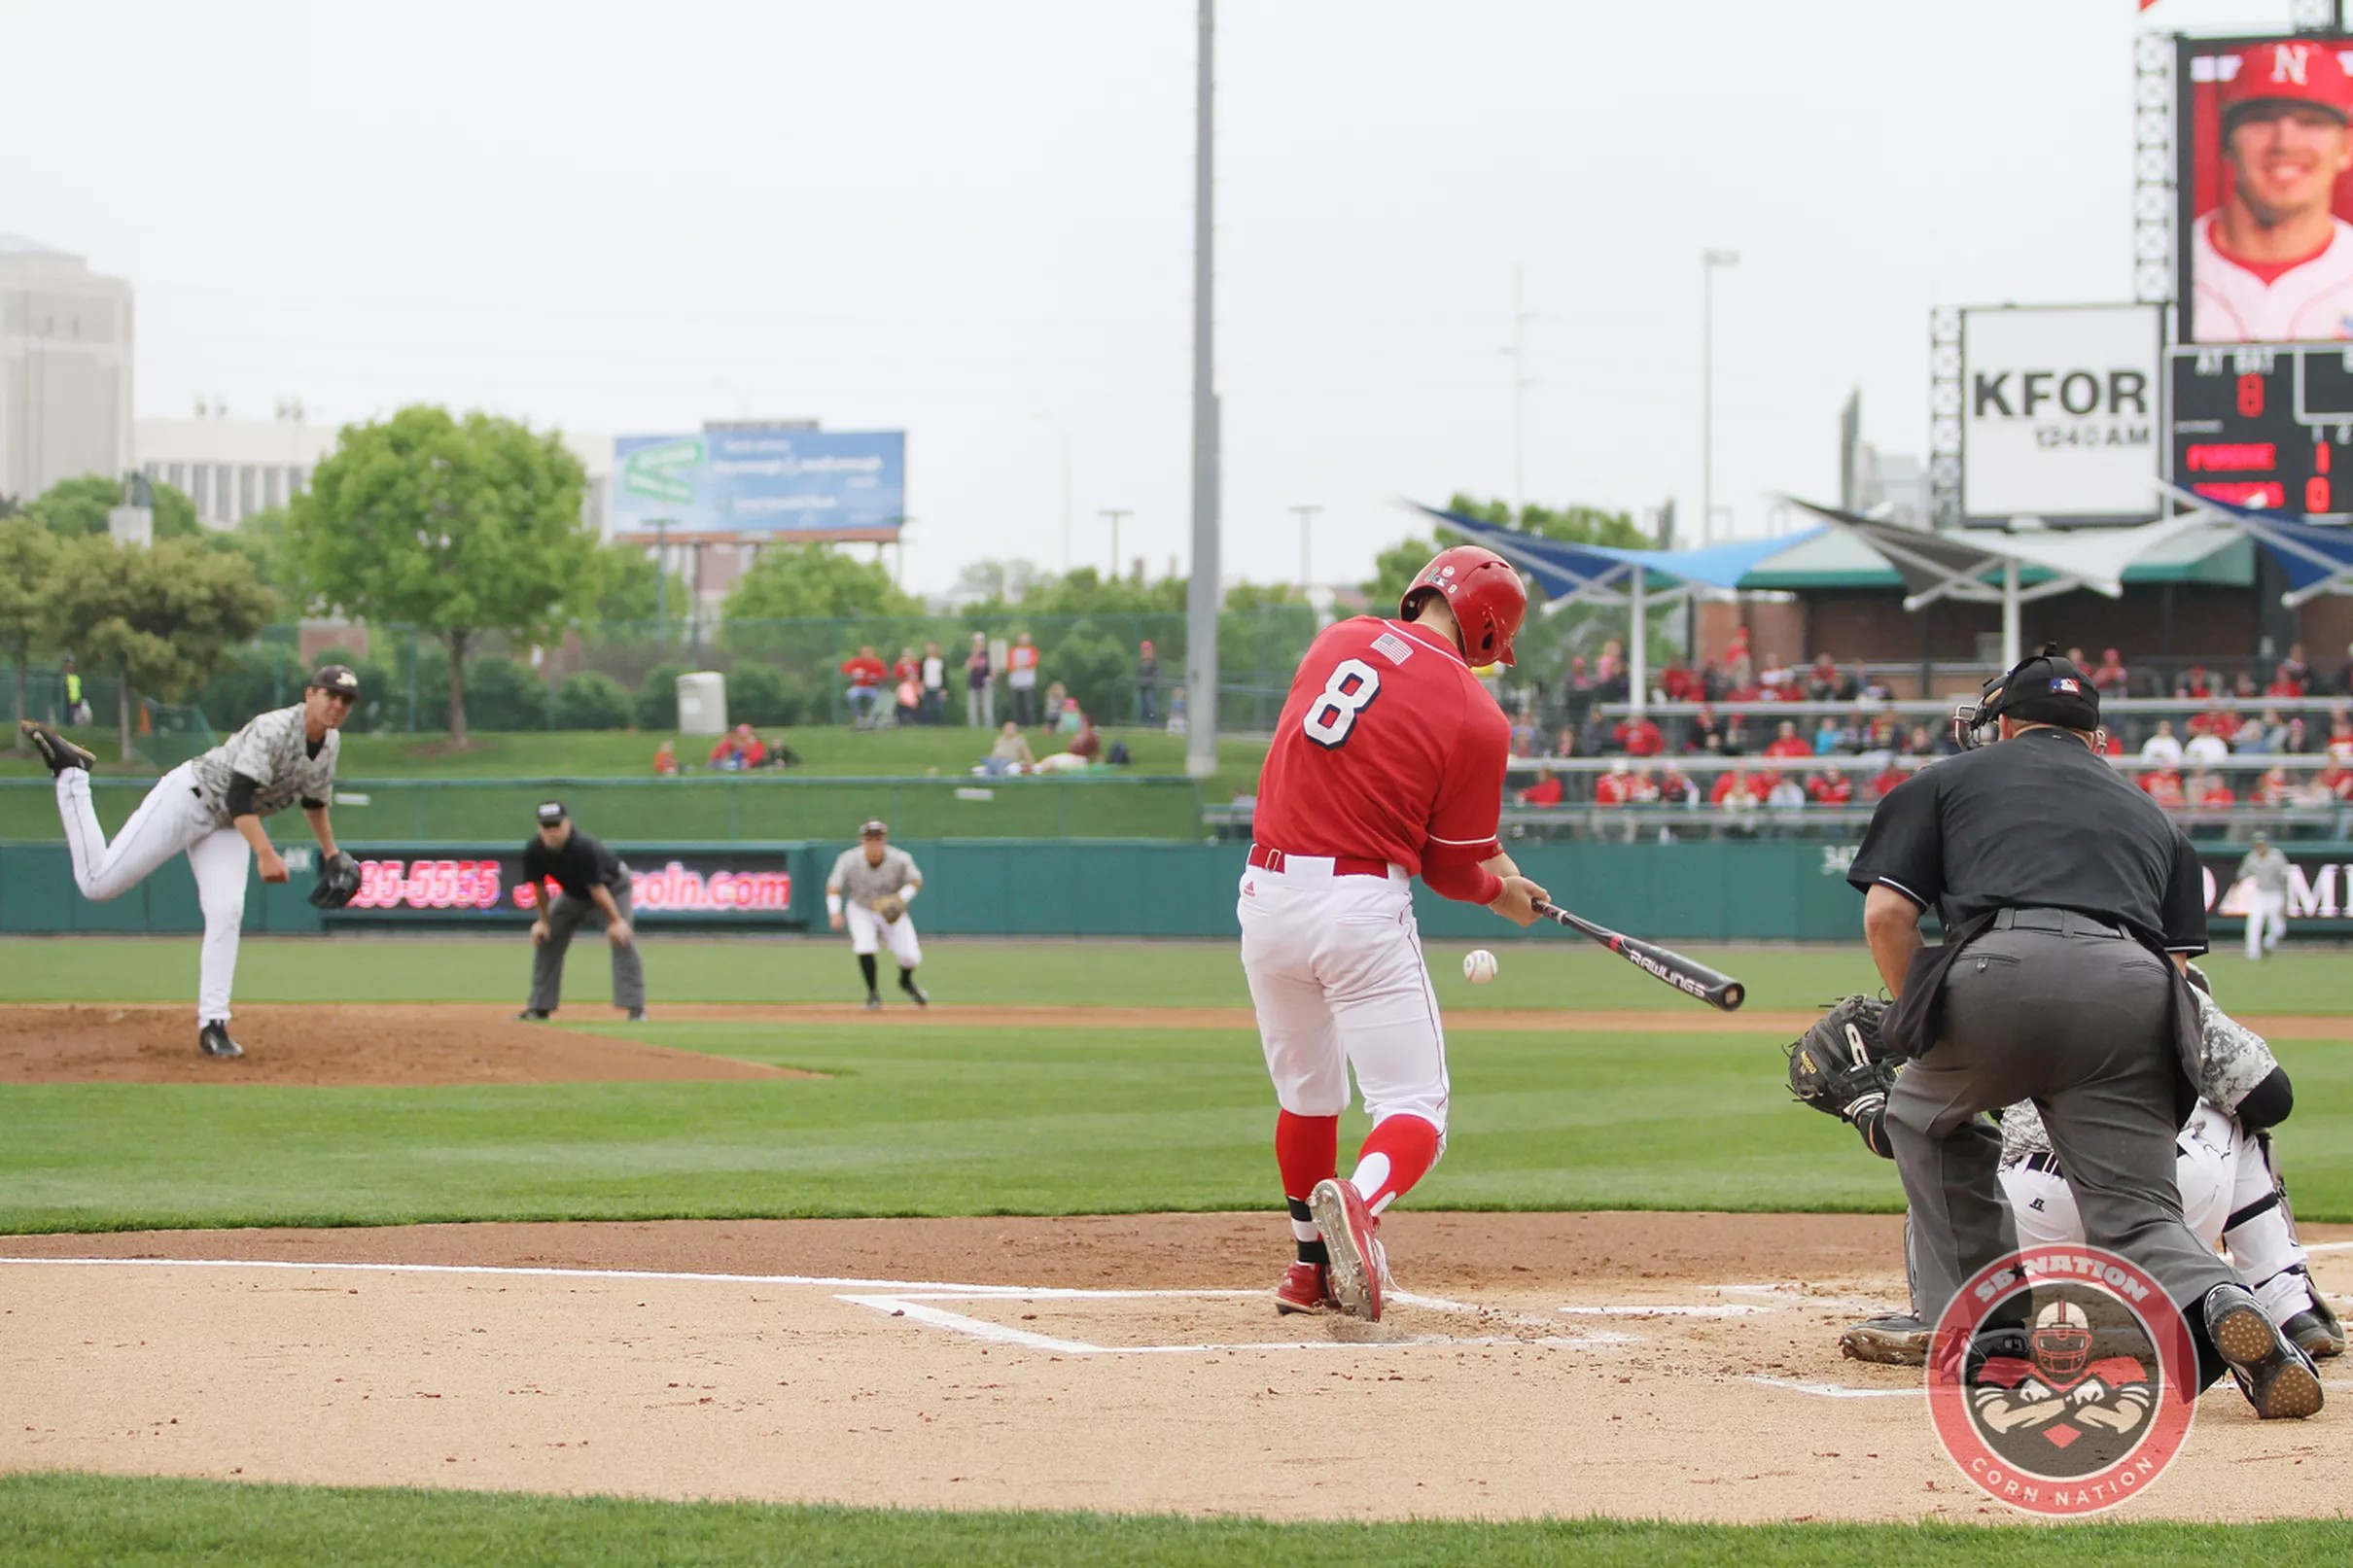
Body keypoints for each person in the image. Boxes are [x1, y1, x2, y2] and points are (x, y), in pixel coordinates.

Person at [1845, 645, 2321, 1419]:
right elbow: (2177, 972)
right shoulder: (2149, 813)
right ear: (2094, 737)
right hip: (2136, 992)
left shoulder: (1942, 781)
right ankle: (2221, 1296)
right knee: (2136, 1210)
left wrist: (1918, 1024)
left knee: (1921, 1117)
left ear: (2004, 727)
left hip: (2001, 970)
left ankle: (1993, 1332)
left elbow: (1888, 915)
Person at [1239, 543, 1547, 1323]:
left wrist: (1502, 867)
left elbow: (1386, 773)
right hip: (1359, 907)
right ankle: (1362, 1200)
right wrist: (1499, 897)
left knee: (1308, 1097)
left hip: (1267, 896)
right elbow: (1449, 869)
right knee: (1414, 1105)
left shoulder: (1337, 639)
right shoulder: (1480, 716)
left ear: (1421, 594)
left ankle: (1309, 1268)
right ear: (1487, 631)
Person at [18, 666, 362, 1060]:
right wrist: (265, 853)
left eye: (346, 700)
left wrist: (332, 852)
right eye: (330, 695)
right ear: (310, 694)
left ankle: (213, 1025)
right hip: (191, 798)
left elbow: (315, 801)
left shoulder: (330, 743)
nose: (337, 705)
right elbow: (238, 796)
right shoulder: (274, 728)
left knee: (227, 910)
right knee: (98, 884)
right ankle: (72, 776)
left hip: (228, 825)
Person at [2191, 40, 2353, 343]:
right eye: (2261, 119)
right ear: (2227, 140)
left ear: (2346, 147)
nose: (2285, 143)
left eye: (2311, 122)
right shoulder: (2171, 269)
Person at [515, 800, 645, 1023]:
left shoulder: (583, 846)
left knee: (622, 938)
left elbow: (598, 889)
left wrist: (616, 922)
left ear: (568, 823)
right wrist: (543, 922)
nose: (552, 831)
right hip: (575, 894)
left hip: (613, 888)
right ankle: (539, 1007)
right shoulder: (534, 850)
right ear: (539, 828)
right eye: (547, 826)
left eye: (556, 825)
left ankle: (635, 1007)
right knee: (547, 938)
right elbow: (539, 888)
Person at [825, 819, 928, 1009]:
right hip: (861, 907)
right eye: (869, 838)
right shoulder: (848, 859)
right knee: (864, 946)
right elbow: (833, 886)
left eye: (878, 838)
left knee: (910, 956)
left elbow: (915, 881)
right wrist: (834, 912)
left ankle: (905, 981)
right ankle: (873, 995)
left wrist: (900, 898)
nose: (873, 842)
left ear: (884, 839)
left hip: (891, 911)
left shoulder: (900, 858)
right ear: (862, 840)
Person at [2236, 833, 2293, 961]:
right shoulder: (2251, 858)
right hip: (2260, 894)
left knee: (2278, 929)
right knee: (2254, 924)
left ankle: (2268, 945)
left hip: (2276, 894)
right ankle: (2252, 954)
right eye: (2258, 845)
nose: (2260, 847)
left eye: (2262, 844)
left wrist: (2286, 899)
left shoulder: (2276, 857)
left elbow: (2285, 879)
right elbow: (2242, 874)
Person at [841, 645, 888, 728]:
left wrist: (876, 678)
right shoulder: (856, 662)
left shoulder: (877, 662)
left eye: (868, 653)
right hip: (858, 686)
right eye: (864, 653)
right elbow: (844, 668)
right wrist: (853, 673)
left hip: (872, 687)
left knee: (878, 698)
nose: (866, 655)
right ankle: (859, 717)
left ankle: (871, 718)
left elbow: (883, 675)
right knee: (851, 695)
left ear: (872, 654)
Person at [1006, 632, 1040, 726]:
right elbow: (1010, 665)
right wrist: (1021, 666)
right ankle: (1016, 724)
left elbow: (1033, 662)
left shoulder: (1032, 650)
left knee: (1028, 706)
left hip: (1028, 682)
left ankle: (1030, 724)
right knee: (1016, 706)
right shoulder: (1013, 651)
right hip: (1015, 682)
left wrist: (1021, 666)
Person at [965, 633, 995, 728]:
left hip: (985, 682)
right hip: (973, 682)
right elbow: (968, 667)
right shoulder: (970, 653)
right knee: (972, 708)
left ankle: (988, 726)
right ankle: (973, 726)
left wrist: (991, 677)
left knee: (987, 707)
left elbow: (993, 669)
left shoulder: (988, 654)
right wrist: (975, 654)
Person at [921, 641, 949, 725]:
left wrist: (944, 689)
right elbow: (921, 674)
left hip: (938, 687)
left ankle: (939, 724)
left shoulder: (940, 661)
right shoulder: (924, 661)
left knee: (938, 708)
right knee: (926, 708)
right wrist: (921, 686)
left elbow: (944, 676)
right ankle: (928, 724)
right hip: (927, 686)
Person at [60, 655, 90, 725]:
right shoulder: (65, 677)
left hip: (76, 700)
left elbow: (78, 689)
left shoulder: (76, 678)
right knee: (69, 716)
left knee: (76, 717)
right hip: (68, 701)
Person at [1137, 640, 1160, 724]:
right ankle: (1144, 724)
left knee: (1151, 708)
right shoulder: (1141, 663)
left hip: (1150, 687)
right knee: (1143, 708)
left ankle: (1153, 724)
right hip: (1142, 687)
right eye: (1144, 650)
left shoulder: (1154, 662)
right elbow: (1139, 674)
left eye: (1148, 650)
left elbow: (1154, 675)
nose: (1146, 652)